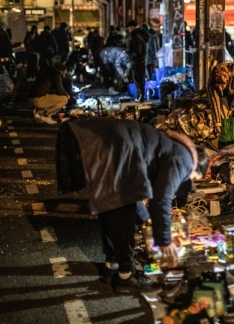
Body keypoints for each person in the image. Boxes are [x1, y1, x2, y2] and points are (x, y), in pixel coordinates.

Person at [55, 118, 203, 293]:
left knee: (109, 204)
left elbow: (138, 193)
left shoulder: (167, 145)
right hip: (113, 145)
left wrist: (146, 220)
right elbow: (161, 198)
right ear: (197, 167)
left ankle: (112, 266)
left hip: (90, 138)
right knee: (121, 207)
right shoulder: (185, 160)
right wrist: (164, 241)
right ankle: (126, 276)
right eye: (192, 179)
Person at [127, 20, 149, 102]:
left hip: (137, 61)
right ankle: (140, 96)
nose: (129, 29)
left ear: (133, 27)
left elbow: (138, 51)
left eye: (129, 27)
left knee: (138, 80)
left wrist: (129, 53)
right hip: (141, 61)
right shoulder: (140, 35)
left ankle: (140, 97)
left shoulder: (137, 36)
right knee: (140, 80)